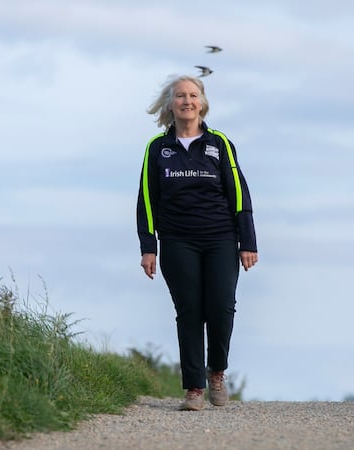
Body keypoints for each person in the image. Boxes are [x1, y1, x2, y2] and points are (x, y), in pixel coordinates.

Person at [136, 74, 258, 411]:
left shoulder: (219, 143)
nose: (187, 101)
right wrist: (149, 247)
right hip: (177, 241)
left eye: (193, 95)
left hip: (220, 238)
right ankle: (193, 389)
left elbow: (239, 194)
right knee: (189, 312)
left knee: (220, 308)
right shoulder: (157, 149)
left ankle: (217, 372)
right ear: (170, 104)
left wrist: (247, 241)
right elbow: (147, 200)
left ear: (202, 103)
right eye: (180, 96)